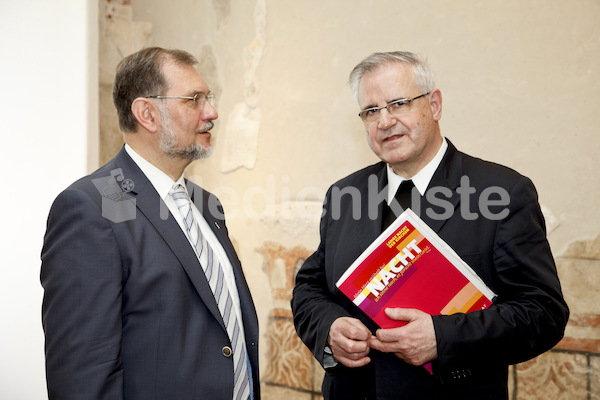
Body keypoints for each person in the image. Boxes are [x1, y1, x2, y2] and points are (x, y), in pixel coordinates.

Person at [291, 51, 569, 400]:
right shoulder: (344, 195)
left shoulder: (502, 193)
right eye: (371, 111)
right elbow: (309, 290)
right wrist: (329, 328)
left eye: (399, 103)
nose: (385, 121)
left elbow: (543, 313)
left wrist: (443, 337)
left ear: (434, 105)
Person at [41, 47, 260, 400]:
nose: (212, 112)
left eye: (210, 98)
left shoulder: (208, 206)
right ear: (147, 113)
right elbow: (83, 373)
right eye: (194, 100)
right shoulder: (92, 206)